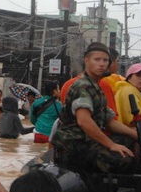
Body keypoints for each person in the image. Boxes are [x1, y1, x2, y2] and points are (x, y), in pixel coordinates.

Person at [52, 42, 136, 174]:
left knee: (130, 141)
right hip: (74, 146)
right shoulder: (83, 86)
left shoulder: (96, 86)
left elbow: (110, 121)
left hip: (87, 142)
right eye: (97, 60)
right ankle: (102, 190)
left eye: (105, 60)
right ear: (86, 60)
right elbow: (84, 121)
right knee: (121, 158)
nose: (102, 64)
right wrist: (111, 145)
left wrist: (139, 134)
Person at [114, 63, 141, 141]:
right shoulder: (129, 91)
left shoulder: (128, 89)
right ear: (129, 78)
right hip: (131, 140)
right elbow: (135, 121)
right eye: (138, 75)